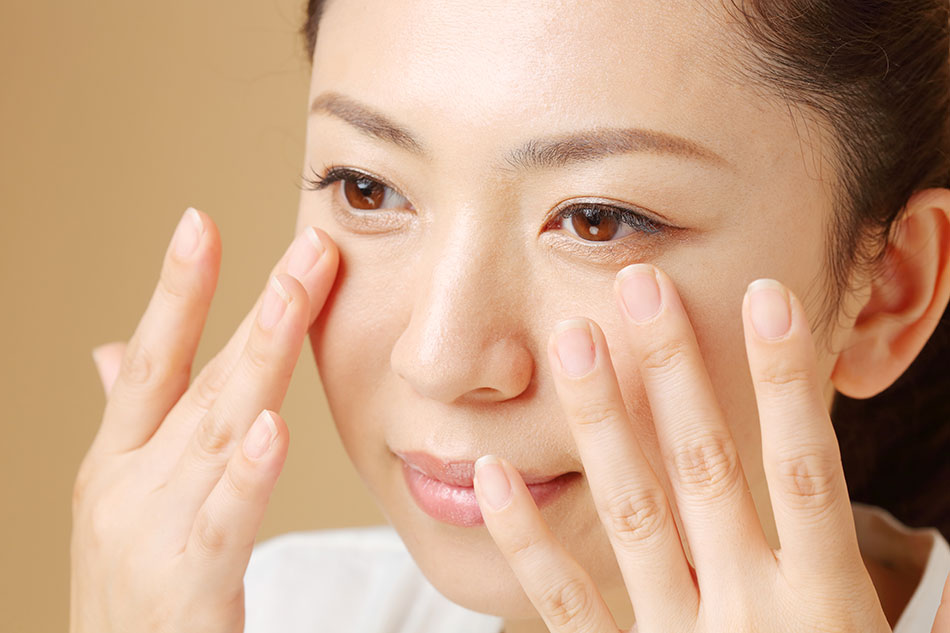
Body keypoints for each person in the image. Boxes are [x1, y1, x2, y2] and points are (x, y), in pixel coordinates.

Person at [69, 0, 950, 632]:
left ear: (887, 291)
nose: (440, 356)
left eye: (598, 219)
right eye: (368, 189)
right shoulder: (264, 609)